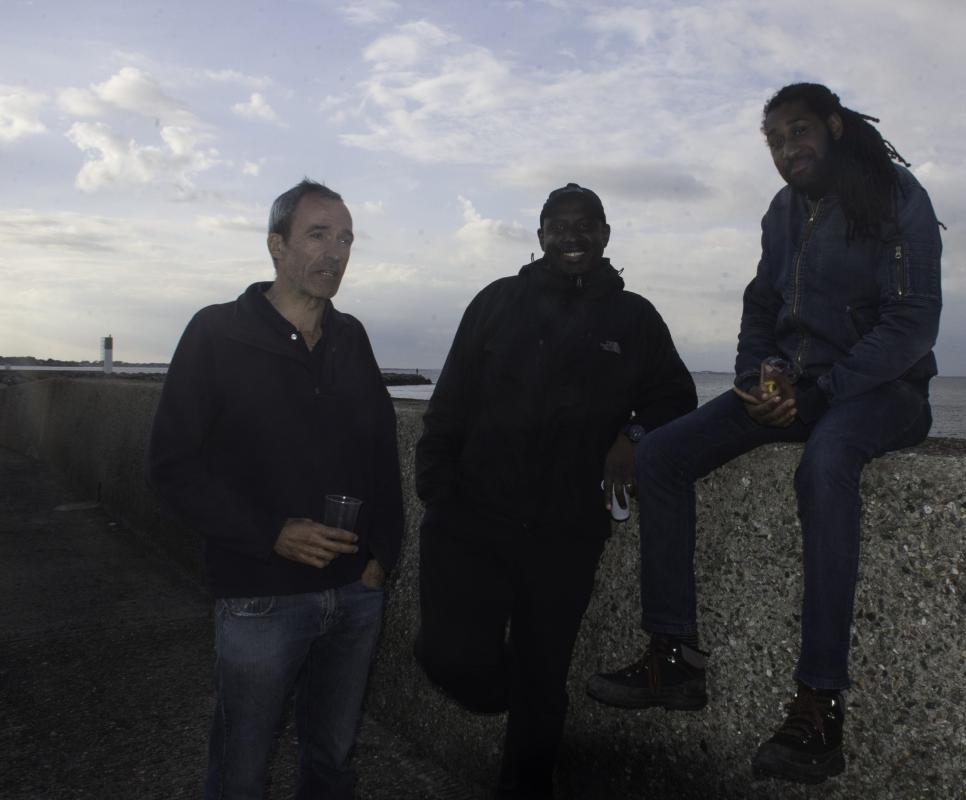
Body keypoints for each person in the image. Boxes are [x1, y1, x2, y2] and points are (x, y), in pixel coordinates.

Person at [587, 82, 943, 785]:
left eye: (799, 130)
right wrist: (757, 381)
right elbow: (760, 306)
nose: (787, 148)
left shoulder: (894, 195)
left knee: (826, 463)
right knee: (662, 454)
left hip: (884, 391)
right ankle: (674, 658)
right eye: (775, 140)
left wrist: (821, 395)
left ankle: (820, 702)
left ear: (834, 126)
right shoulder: (781, 212)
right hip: (796, 390)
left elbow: (912, 322)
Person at [414, 183, 697, 799]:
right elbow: (450, 399)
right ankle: (508, 691)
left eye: (585, 224)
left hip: (566, 533)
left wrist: (633, 435)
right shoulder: (497, 301)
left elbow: (677, 396)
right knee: (448, 658)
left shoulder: (634, 318)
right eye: (559, 225)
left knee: (544, 681)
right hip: (474, 520)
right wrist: (437, 489)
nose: (572, 235)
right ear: (540, 234)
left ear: (605, 234)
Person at [147, 179, 405, 799]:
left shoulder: (351, 337)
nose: (334, 252)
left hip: (354, 594)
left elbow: (382, 454)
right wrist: (270, 534)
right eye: (317, 235)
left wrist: (380, 558)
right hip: (259, 597)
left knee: (332, 761)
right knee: (242, 767)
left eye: (345, 239)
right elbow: (171, 466)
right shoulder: (217, 332)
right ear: (276, 244)